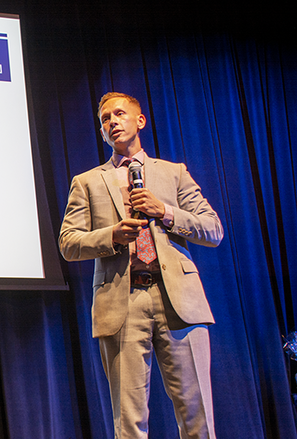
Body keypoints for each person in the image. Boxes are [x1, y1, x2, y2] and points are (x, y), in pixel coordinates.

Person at [59, 92, 224, 438]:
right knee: (129, 421)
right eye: (105, 119)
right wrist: (112, 236)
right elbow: (68, 243)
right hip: (123, 302)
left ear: (140, 120)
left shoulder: (173, 173)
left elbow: (213, 229)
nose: (112, 122)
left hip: (179, 301)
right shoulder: (87, 181)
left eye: (119, 114)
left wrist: (164, 211)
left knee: (198, 415)